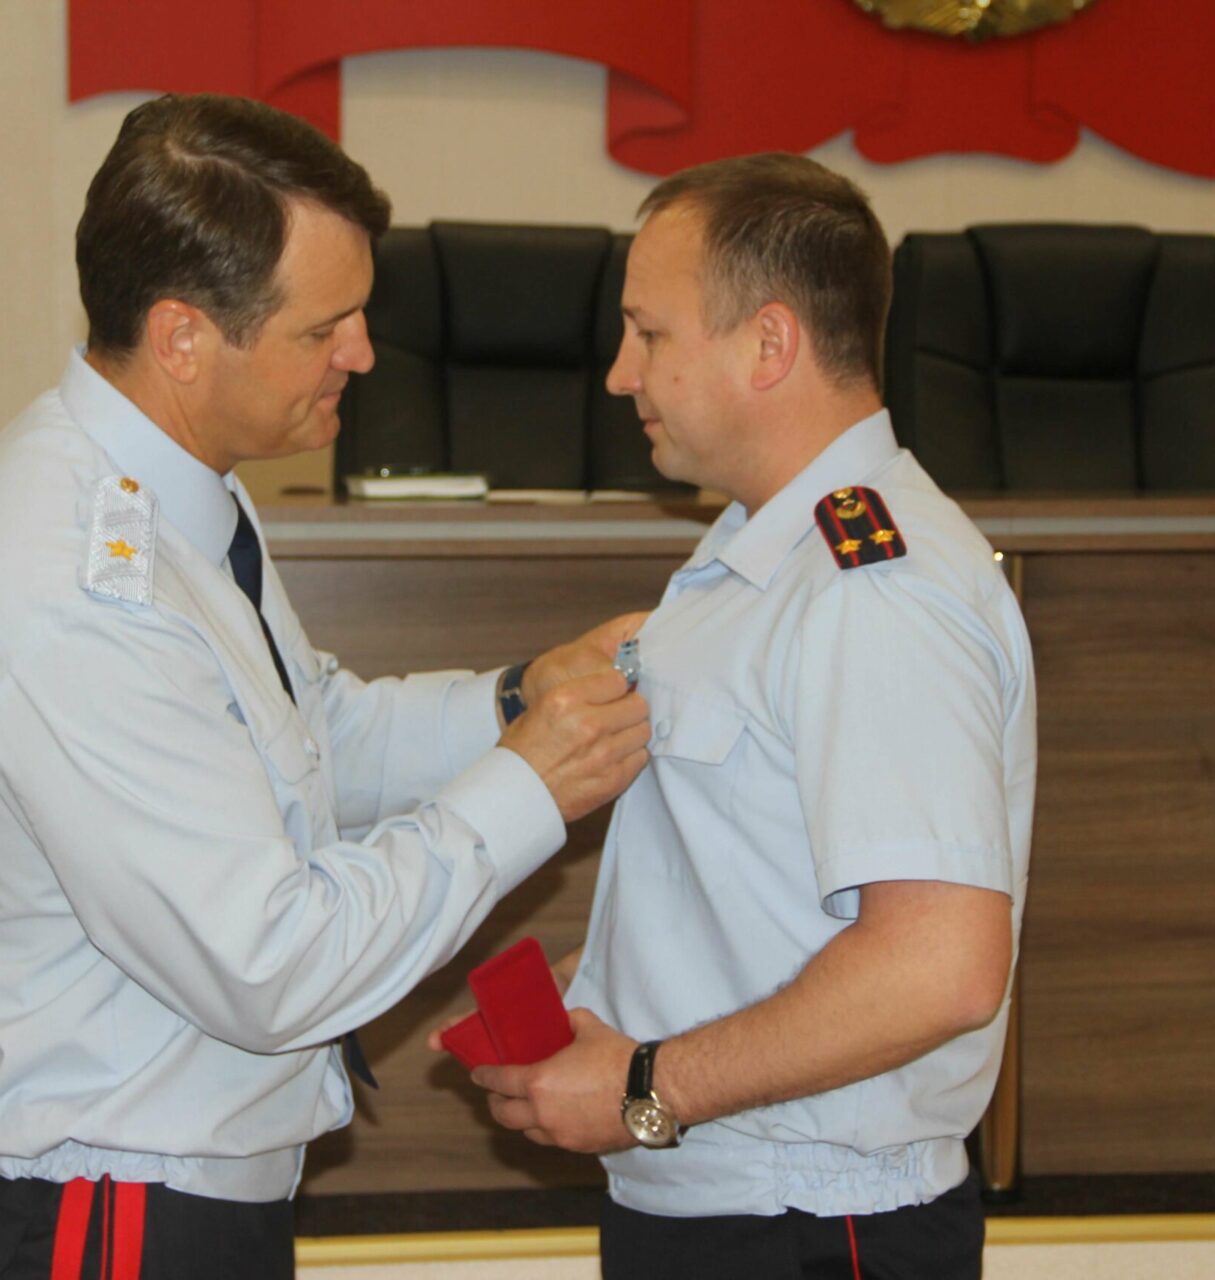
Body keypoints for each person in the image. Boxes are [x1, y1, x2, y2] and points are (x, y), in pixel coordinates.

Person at [0, 94, 651, 1280]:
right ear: (183, 338)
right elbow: (272, 963)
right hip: (105, 1217)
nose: (363, 354)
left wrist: (515, 699)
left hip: (164, 1185)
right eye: (325, 328)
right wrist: (529, 788)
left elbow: (311, 729)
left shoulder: (170, 487)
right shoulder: (77, 592)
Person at [445, 154, 1037, 1279]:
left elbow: (940, 965)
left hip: (811, 1224)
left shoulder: (876, 586)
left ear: (769, 345)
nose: (620, 374)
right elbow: (761, 881)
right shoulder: (764, 550)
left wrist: (646, 1085)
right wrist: (615, 978)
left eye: (649, 333)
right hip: (730, 1202)